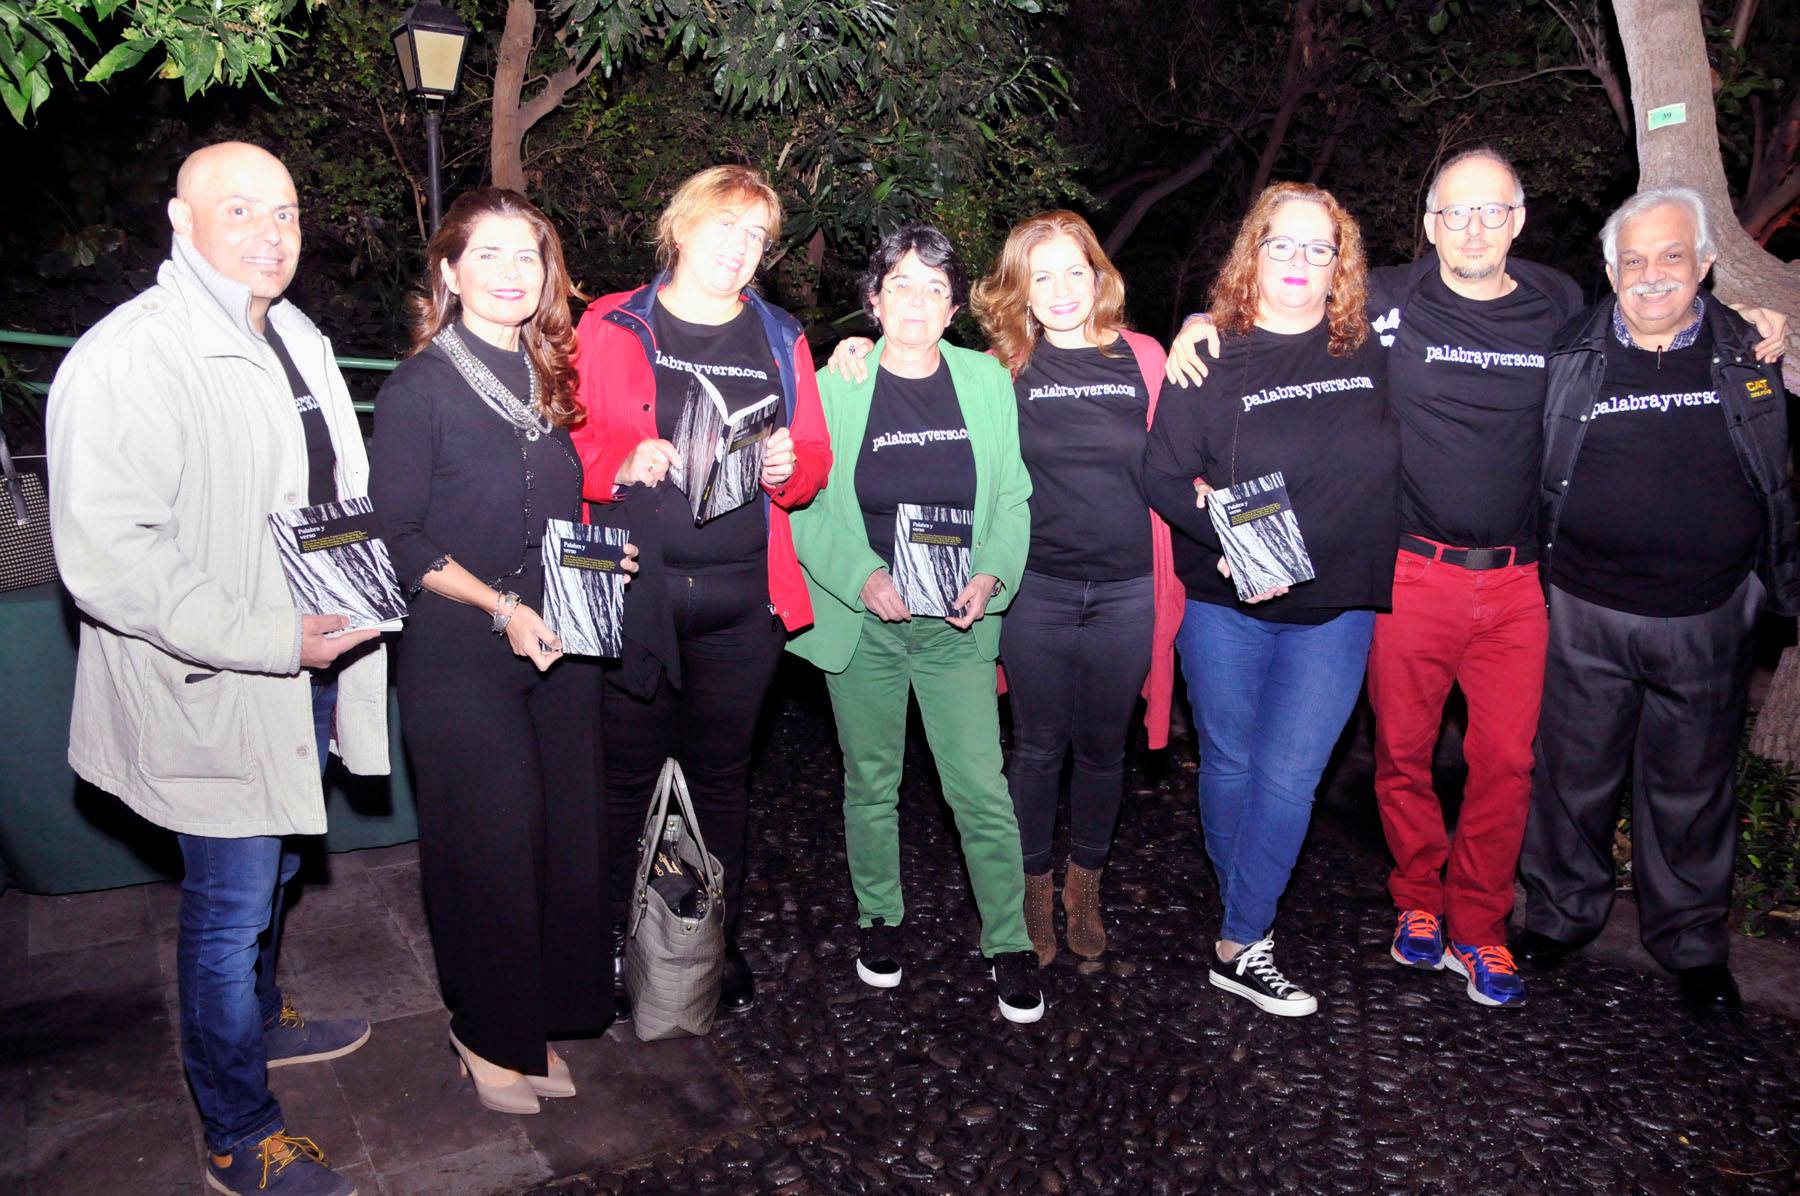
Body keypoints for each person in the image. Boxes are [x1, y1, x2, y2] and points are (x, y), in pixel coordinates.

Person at [1164, 149, 1788, 1011]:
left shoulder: (1561, 305)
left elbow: (1658, 314)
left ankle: (1483, 926)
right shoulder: (1386, 301)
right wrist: (1202, 321)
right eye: (1455, 212)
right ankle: (1417, 900)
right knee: (1403, 756)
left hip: (1519, 583)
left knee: (1506, 764)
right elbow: (1287, 297)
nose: (1473, 228)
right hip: (1411, 573)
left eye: (1492, 210)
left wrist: (1745, 318)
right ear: (1429, 225)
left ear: (1519, 221)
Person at [47, 141, 383, 1196]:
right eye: (239, 210)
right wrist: (276, 638)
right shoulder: (131, 357)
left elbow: (324, 492)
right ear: (180, 221)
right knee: (229, 909)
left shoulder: (294, 334)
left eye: (285, 212)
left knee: (276, 868)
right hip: (217, 679)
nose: (271, 233)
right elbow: (113, 560)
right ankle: (238, 1133)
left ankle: (263, 1020)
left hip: (303, 663)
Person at [829, 211, 1183, 966]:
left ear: (1100, 276)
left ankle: (1084, 886)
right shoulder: (1004, 367)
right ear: (1018, 288)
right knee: (1034, 748)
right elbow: (909, 365)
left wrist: (1205, 326)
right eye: (1040, 274)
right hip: (1036, 590)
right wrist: (857, 345)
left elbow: (1192, 440)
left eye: (1074, 271)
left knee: (1104, 749)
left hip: (1127, 588)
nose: (1060, 289)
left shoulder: (1147, 358)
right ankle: (1029, 895)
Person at [371, 187, 629, 1114]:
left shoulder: (546, 376)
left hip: (559, 639)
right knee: (488, 847)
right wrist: (501, 605)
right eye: (489, 254)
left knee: (562, 839)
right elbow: (397, 535)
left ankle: (538, 1021)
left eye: (529, 255)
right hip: (462, 648)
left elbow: (550, 510)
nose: (512, 273)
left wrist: (601, 558)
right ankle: (484, 1032)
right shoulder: (419, 388)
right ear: (450, 271)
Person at [1517, 187, 1799, 1017]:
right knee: (1572, 778)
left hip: (1710, 612)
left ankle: (1691, 944)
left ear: (1705, 264)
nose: (1652, 275)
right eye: (1633, 260)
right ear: (1609, 272)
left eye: (1672, 256)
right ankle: (1559, 918)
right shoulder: (1566, 351)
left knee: (1692, 789)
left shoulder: (1751, 348)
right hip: (1583, 607)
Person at [571, 165, 830, 1018]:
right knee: (622, 779)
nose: (740, 248)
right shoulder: (612, 322)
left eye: (757, 236)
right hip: (636, 589)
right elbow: (561, 438)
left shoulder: (781, 334)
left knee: (721, 777)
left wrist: (790, 467)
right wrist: (615, 463)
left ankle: (706, 939)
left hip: (742, 598)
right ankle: (611, 938)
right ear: (681, 227)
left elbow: (814, 458)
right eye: (726, 225)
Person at [1144, 182, 1398, 1017]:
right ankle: (1244, 916)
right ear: (1252, 253)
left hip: (1337, 606)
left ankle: (1240, 937)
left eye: (1318, 247)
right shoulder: (1211, 352)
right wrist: (1226, 537)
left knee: (1290, 776)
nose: (1297, 260)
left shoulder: (1374, 344)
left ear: (1340, 265)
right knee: (1229, 762)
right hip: (1227, 603)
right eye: (1280, 243)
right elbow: (1162, 472)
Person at [788, 225, 1045, 1023]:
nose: (917, 300)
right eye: (899, 283)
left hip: (955, 625)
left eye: (935, 287)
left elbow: (1013, 498)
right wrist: (862, 577)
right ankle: (879, 917)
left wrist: (991, 575)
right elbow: (801, 509)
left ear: (954, 307)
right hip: (864, 623)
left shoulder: (985, 381)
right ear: (873, 299)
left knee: (981, 787)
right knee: (872, 780)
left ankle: (1008, 940)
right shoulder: (836, 385)